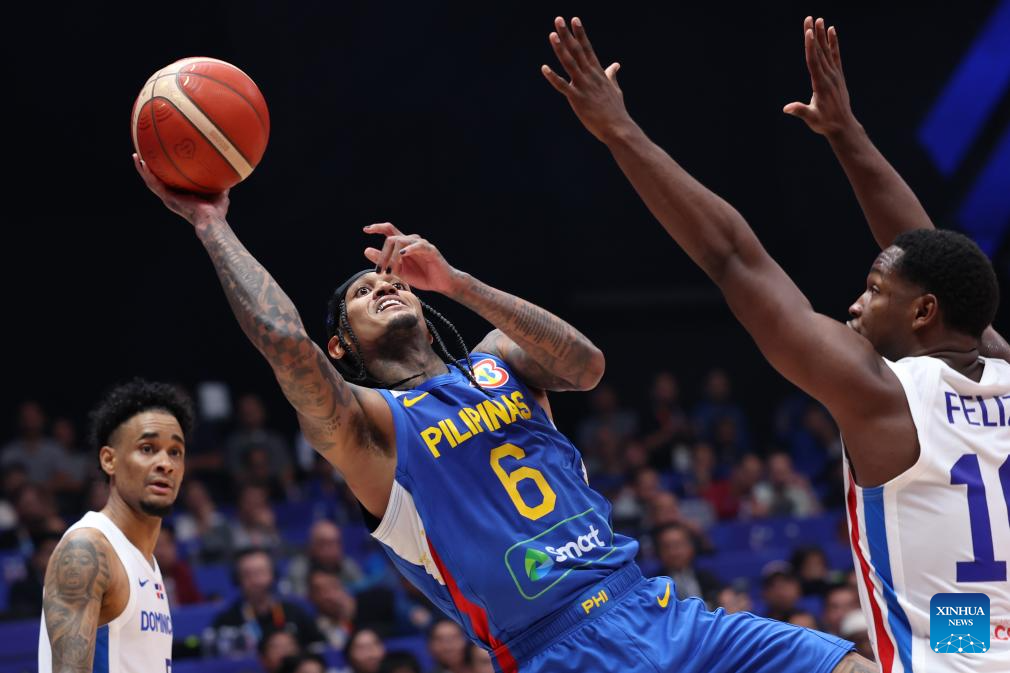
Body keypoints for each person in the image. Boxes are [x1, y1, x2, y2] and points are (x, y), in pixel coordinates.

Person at [545, 9, 1007, 672]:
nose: (855, 304)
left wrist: (619, 131)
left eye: (874, 289)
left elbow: (735, 258)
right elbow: (932, 260)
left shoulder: (883, 396)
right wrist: (846, 134)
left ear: (924, 312)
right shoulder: (999, 366)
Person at [38, 379, 192, 673]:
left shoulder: (148, 563)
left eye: (175, 452)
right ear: (109, 460)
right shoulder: (87, 549)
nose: (166, 463)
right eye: (147, 448)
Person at [211, 548, 325, 657]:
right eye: (247, 574)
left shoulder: (295, 613)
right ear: (237, 579)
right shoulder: (227, 621)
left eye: (260, 572)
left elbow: (320, 647)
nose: (255, 580)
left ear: (273, 574)